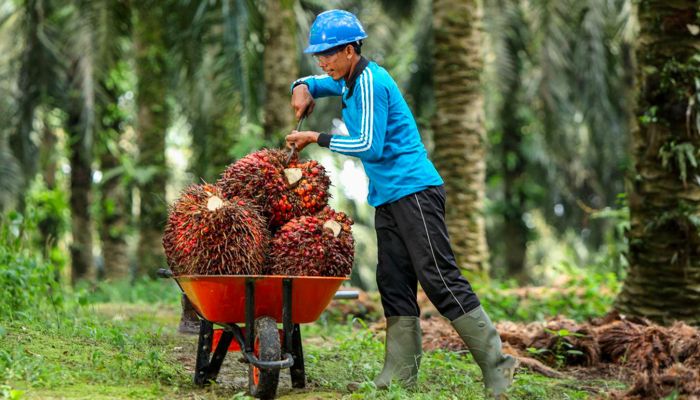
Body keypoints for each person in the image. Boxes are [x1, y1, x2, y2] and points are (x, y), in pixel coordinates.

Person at [285, 10, 518, 399]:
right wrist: (301, 84)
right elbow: (315, 83)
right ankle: (398, 378)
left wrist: (315, 137)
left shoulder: (372, 82)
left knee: (439, 279)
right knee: (393, 283)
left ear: (348, 50)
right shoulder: (347, 78)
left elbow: (368, 147)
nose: (322, 62)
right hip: (389, 198)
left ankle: (499, 367)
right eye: (317, 56)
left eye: (327, 54)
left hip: (414, 192)